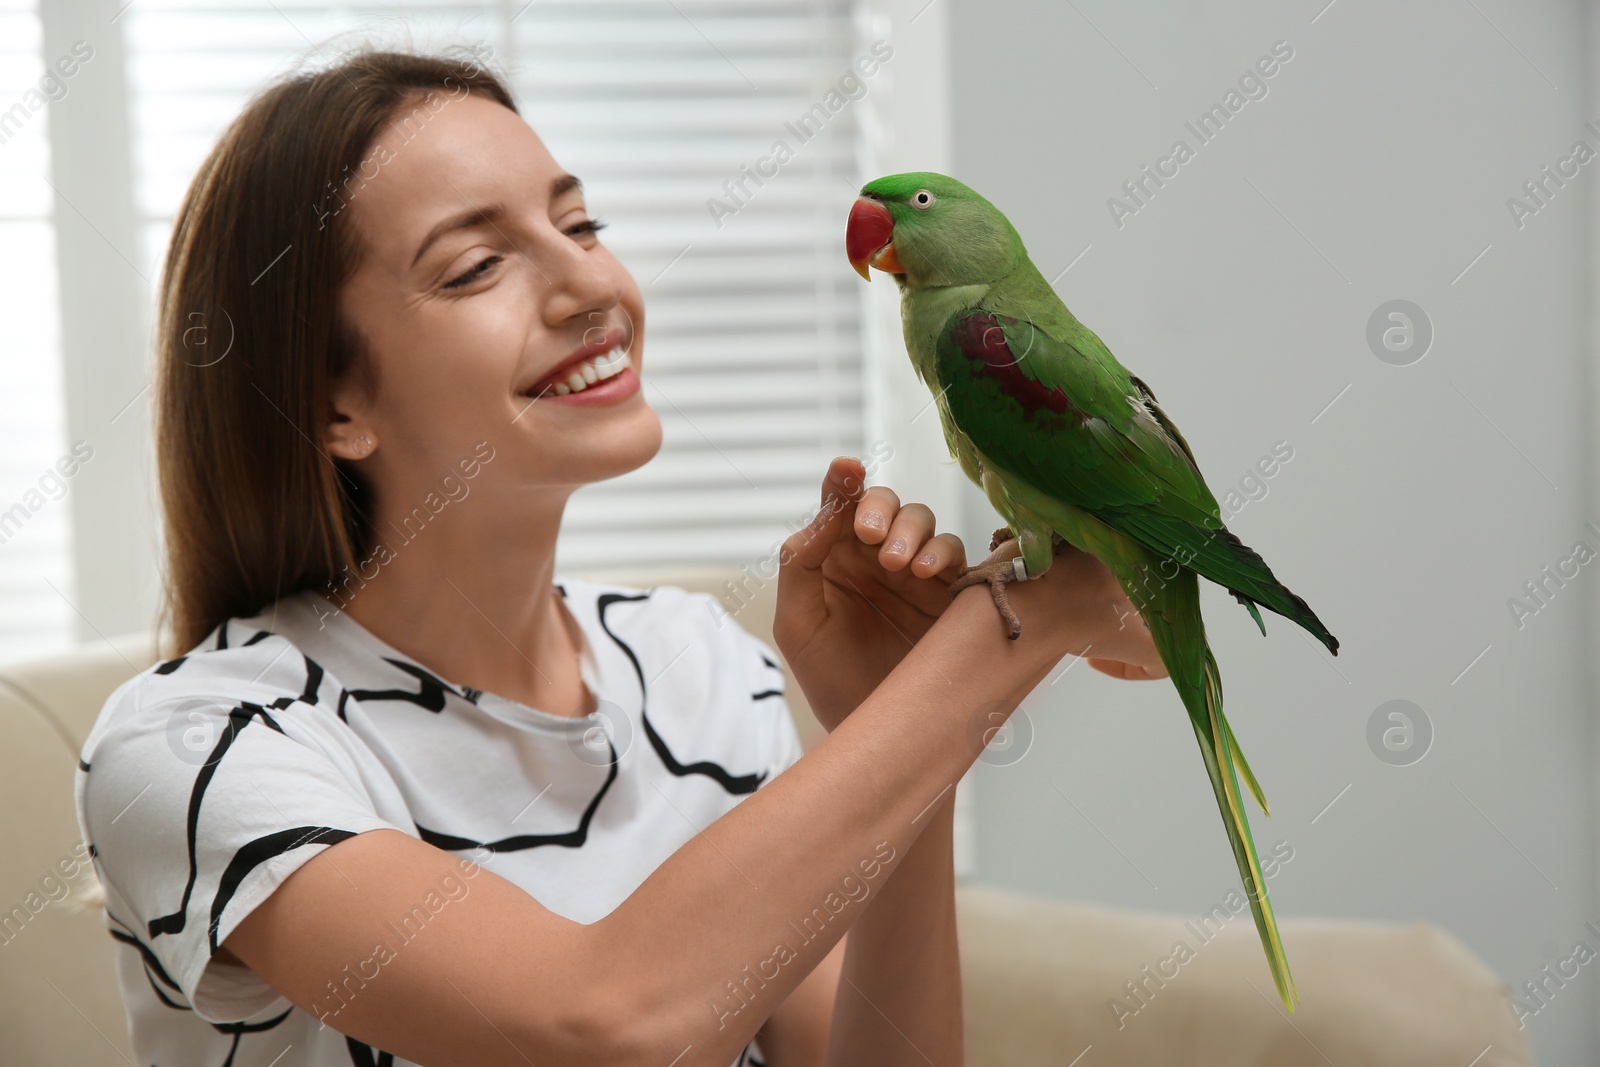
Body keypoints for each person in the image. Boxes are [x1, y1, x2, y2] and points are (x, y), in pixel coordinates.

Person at [72, 49, 1164, 1067]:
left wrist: (895, 725)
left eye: (580, 224)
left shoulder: (692, 663)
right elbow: (608, 1026)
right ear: (331, 403)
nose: (591, 286)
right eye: (475, 266)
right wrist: (1016, 629)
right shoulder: (196, 743)